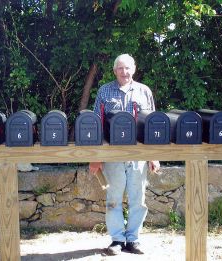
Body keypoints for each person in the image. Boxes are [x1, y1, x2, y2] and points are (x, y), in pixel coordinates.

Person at [89, 54, 160, 256]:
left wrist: (153, 156)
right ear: (114, 71)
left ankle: (134, 240)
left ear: (134, 69)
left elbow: (153, 127)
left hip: (138, 156)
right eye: (120, 68)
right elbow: (96, 125)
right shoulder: (104, 91)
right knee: (114, 198)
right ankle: (117, 240)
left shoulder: (144, 91)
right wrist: (96, 156)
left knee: (138, 199)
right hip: (113, 156)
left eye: (127, 68)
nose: (124, 72)